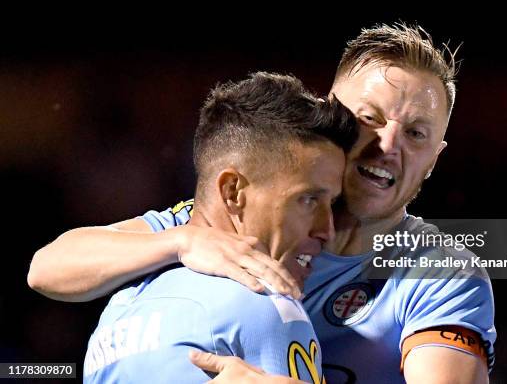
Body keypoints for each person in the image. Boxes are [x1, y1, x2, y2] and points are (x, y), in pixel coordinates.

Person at [29, 23, 496, 383]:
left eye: (416, 134)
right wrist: (181, 241)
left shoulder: (440, 272)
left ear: (435, 159)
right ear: (330, 110)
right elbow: (47, 269)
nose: (387, 144)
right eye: (368, 119)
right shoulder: (233, 222)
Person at [82, 72, 358, 383]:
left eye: (330, 204)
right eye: (308, 200)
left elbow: (44, 267)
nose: (327, 230)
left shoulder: (116, 313)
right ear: (232, 192)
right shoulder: (267, 305)